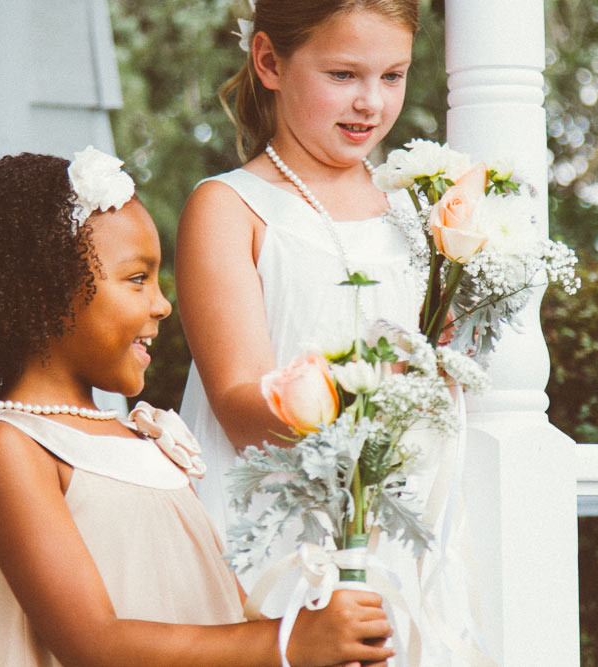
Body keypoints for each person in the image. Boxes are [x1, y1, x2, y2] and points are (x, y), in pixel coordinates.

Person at [0, 147, 394, 667]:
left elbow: (217, 619)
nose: (162, 303)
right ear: (43, 290)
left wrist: (328, 645)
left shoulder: (148, 441)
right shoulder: (12, 445)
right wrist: (290, 641)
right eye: (138, 279)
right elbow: (92, 642)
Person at [176, 0, 423, 550]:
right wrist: (390, 384)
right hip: (273, 524)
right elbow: (241, 410)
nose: (371, 102)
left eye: (393, 76)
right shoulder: (231, 209)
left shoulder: (419, 210)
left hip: (406, 515)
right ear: (269, 61)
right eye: (342, 75)